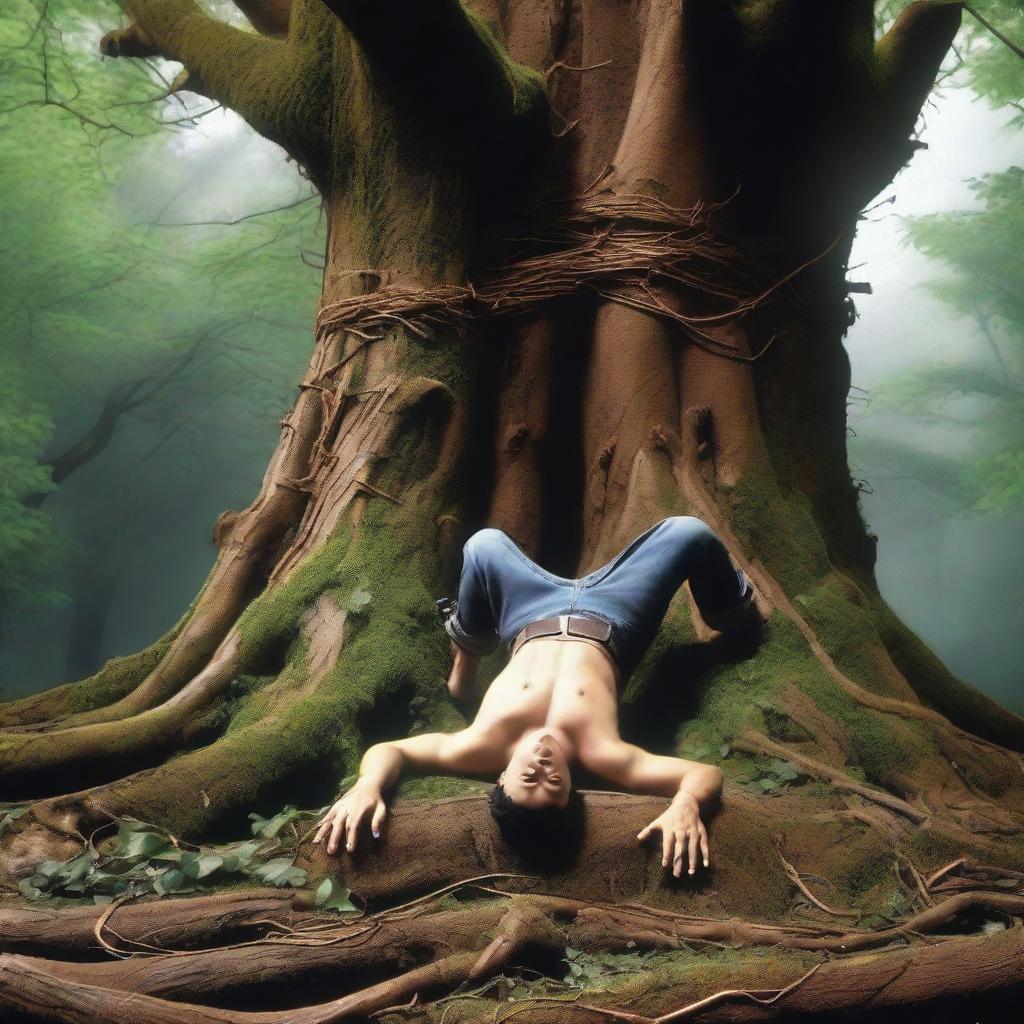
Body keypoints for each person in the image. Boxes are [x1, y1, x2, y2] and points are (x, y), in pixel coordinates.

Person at [313, 515, 758, 876]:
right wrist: (685, 804)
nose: (544, 769)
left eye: (530, 779)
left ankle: (465, 655)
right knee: (690, 532)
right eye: (556, 783)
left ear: (502, 778)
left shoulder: (478, 748)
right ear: (573, 788)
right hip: (613, 617)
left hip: (530, 613)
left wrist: (367, 786)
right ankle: (732, 610)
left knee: (482, 544)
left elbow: (392, 751)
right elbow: (703, 774)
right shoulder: (600, 753)